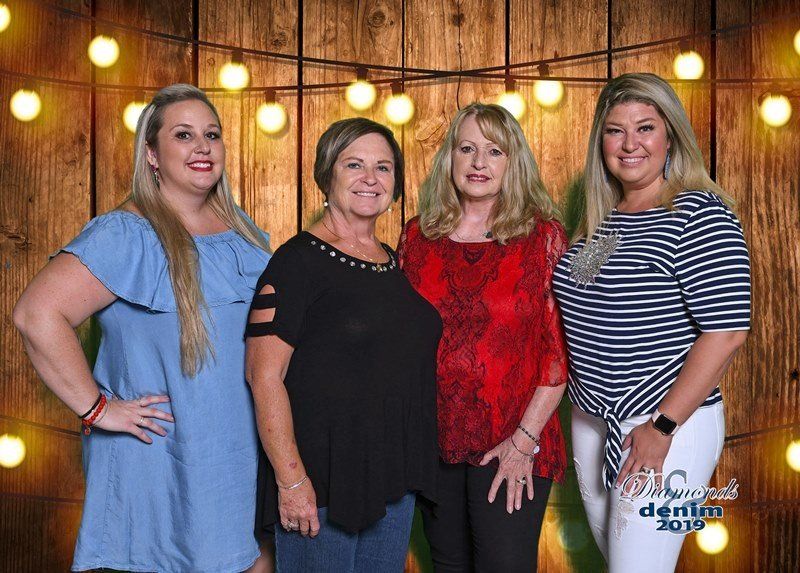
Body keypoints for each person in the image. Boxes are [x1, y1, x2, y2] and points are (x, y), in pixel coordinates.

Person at [12, 84, 271, 572]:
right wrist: (98, 409)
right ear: (151, 154)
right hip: (158, 459)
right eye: (183, 135)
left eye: (212, 134)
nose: (202, 147)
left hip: (233, 456)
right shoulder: (126, 233)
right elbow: (36, 315)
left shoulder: (242, 231)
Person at [552, 73, 750, 572]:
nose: (630, 144)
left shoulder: (697, 213)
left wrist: (662, 426)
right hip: (593, 422)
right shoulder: (602, 219)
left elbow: (727, 331)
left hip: (662, 422)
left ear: (670, 137)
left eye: (645, 128)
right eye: (615, 130)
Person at [245, 117, 442, 573]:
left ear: (395, 183)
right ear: (326, 175)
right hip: (321, 481)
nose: (370, 178)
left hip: (391, 476)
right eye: (354, 165)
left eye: (383, 167)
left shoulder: (390, 260)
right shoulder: (296, 261)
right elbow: (263, 375)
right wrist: (292, 482)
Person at [398, 102, 569, 572]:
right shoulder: (417, 237)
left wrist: (523, 442)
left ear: (513, 162)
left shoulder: (542, 238)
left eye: (495, 151)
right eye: (467, 148)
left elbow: (558, 354)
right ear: (449, 158)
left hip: (514, 437)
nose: (479, 162)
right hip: (434, 441)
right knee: (448, 564)